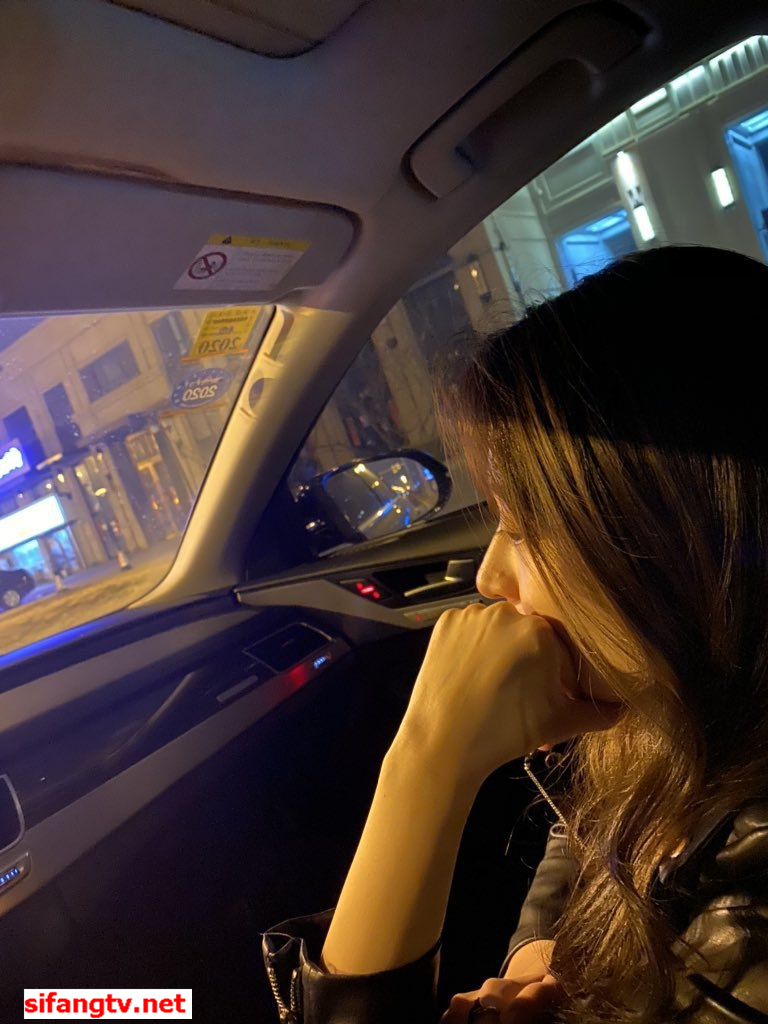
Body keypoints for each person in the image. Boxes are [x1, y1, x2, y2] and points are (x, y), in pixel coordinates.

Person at [263, 245, 768, 1024]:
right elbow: (596, 824)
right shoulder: (678, 716)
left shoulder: (752, 917)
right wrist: (545, 956)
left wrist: (428, 764)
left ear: (675, 542)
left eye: (524, 527)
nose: (490, 577)